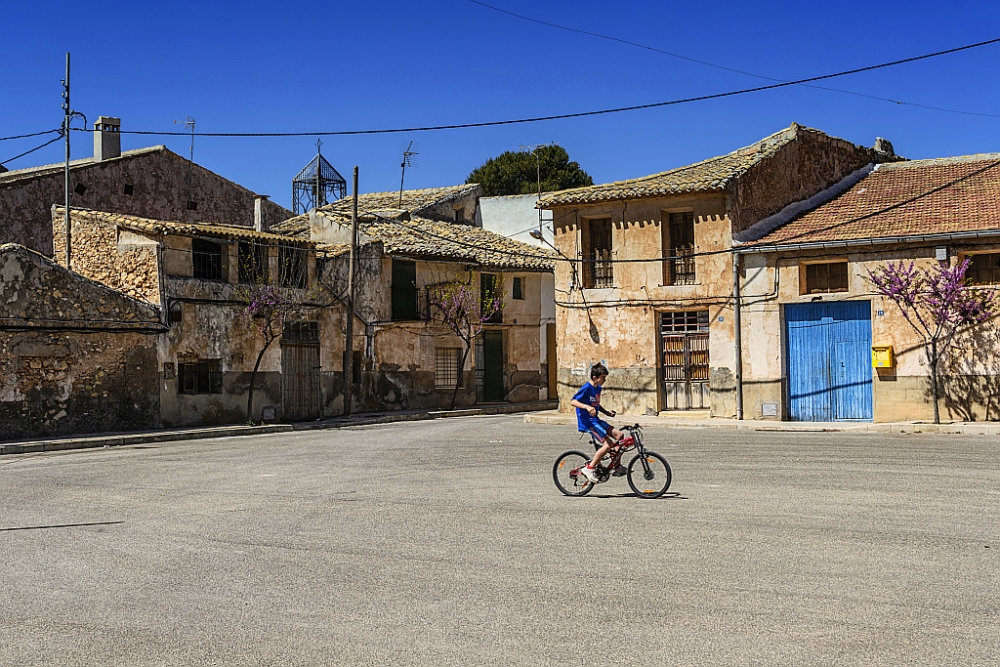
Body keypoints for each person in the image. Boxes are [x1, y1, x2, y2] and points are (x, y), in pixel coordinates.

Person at [569, 363, 625, 484]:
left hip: (596, 420)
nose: (604, 380)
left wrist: (606, 412)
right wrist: (587, 407)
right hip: (588, 422)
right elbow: (573, 401)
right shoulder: (587, 388)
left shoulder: (598, 388)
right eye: (602, 377)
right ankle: (589, 469)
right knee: (608, 444)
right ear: (595, 377)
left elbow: (596, 404)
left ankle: (616, 466)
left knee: (619, 436)